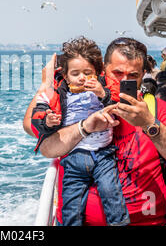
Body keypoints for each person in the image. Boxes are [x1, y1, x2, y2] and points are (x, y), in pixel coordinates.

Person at [23, 37, 166, 226]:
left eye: (133, 75)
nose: (124, 81)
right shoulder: (76, 105)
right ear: (103, 70)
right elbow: (35, 132)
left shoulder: (156, 108)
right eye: (118, 73)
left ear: (144, 74)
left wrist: (148, 123)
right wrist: (48, 85)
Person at [31, 37, 129, 226]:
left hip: (103, 155)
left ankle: (120, 223)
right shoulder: (57, 94)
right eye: (75, 73)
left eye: (87, 72)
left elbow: (119, 104)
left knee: (112, 193)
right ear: (66, 76)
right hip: (74, 157)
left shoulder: (104, 88)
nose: (82, 78)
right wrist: (48, 121)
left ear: (98, 73)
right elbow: (38, 116)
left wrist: (103, 93)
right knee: (71, 204)